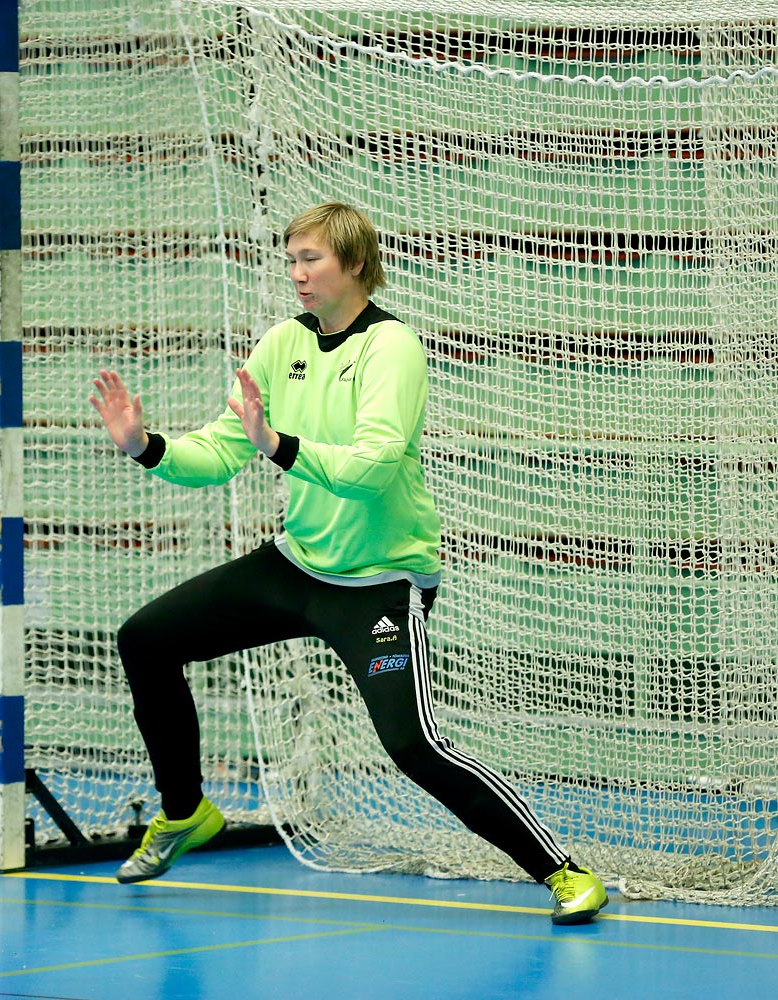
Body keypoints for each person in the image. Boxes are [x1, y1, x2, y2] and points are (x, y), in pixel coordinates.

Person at [88, 202, 606, 925]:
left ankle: (562, 871)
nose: (297, 274)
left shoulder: (393, 347)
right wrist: (146, 445)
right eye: (292, 259)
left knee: (412, 745)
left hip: (378, 584)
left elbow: (373, 465)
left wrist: (281, 446)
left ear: (354, 264)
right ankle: (185, 812)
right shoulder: (278, 345)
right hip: (296, 566)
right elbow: (221, 450)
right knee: (145, 638)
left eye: (312, 260)